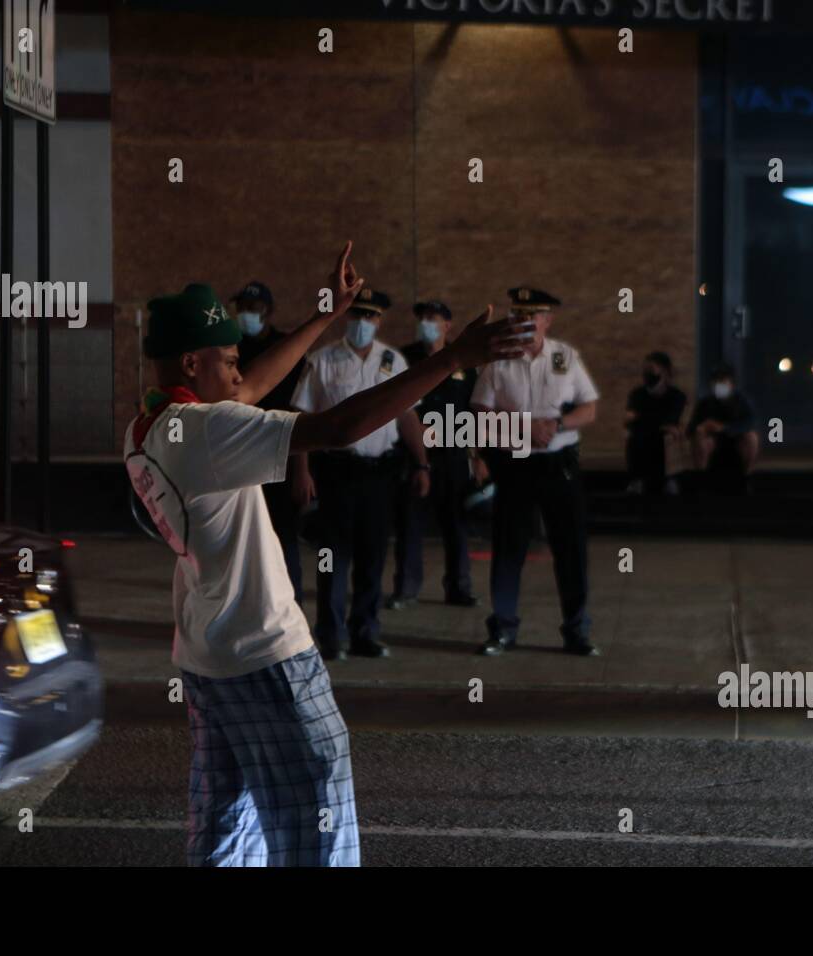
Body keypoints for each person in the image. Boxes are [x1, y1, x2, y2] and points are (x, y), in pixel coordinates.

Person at [124, 242, 527, 866]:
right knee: (319, 807)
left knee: (229, 821)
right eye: (228, 361)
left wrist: (328, 315)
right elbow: (338, 427)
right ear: (190, 362)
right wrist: (452, 358)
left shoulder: (151, 426)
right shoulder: (209, 431)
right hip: (265, 655)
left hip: (206, 657)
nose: (241, 372)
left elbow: (255, 385)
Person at [291, 286, 431, 661]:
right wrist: (302, 472)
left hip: (378, 476)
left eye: (370, 316)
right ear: (346, 317)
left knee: (372, 558)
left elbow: (407, 416)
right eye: (357, 315)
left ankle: (365, 632)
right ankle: (331, 636)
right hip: (336, 473)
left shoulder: (393, 360)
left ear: (379, 320)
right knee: (331, 558)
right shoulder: (321, 360)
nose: (362, 322)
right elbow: (302, 420)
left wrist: (421, 463)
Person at [470, 286, 600, 657]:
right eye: (518, 315)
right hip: (515, 464)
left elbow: (588, 409)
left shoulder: (565, 356)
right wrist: (528, 427)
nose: (524, 322)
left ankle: (577, 630)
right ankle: (503, 629)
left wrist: (555, 425)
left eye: (532, 316)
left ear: (547, 320)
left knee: (570, 548)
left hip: (559, 465)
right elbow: (480, 412)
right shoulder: (498, 360)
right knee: (510, 547)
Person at [387, 300, 482, 610]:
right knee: (409, 524)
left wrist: (477, 456)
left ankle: (459, 588)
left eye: (433, 318)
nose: (426, 323)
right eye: (422, 318)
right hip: (415, 455)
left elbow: (473, 411)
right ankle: (406, 588)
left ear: (447, 325)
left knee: (455, 524)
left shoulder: (463, 364)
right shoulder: (405, 358)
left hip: (453, 454)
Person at [233, 280, 311, 603]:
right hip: (238, 455)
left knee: (283, 535)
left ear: (268, 311)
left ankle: (289, 599)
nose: (247, 315)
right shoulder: (231, 348)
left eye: (253, 309)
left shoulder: (285, 349)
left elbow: (300, 411)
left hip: (278, 453)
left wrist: (302, 469)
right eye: (242, 309)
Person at [624, 351, 686, 497]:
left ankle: (671, 479)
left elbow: (671, 420)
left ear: (664, 372)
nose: (647, 374)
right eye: (645, 370)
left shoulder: (677, 396)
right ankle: (636, 480)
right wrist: (657, 422)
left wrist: (643, 418)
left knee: (671, 436)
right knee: (634, 435)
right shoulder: (637, 394)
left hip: (663, 436)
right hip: (643, 434)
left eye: (651, 369)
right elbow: (630, 421)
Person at [688, 361, 759, 480]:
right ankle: (700, 478)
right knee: (700, 436)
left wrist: (725, 427)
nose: (719, 385)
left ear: (732, 385)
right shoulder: (705, 403)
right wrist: (701, 428)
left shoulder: (741, 401)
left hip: (736, 440)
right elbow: (690, 429)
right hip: (713, 443)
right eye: (716, 382)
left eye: (723, 382)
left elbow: (750, 422)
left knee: (752, 437)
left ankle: (747, 476)